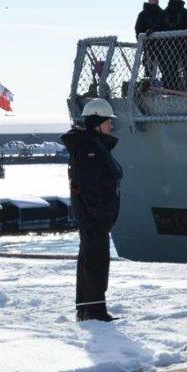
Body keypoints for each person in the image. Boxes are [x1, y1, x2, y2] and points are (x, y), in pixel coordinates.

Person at [62, 98, 123, 322]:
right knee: (96, 262)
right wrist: (102, 213)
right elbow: (89, 187)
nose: (111, 127)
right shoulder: (90, 149)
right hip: (94, 219)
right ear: (97, 121)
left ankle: (87, 307)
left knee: (89, 259)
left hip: (93, 218)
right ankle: (94, 311)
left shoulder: (91, 146)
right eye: (108, 122)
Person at [135, 0, 165, 79]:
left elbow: (164, 26)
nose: (156, 1)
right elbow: (138, 29)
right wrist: (143, 40)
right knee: (149, 69)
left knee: (165, 68)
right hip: (148, 46)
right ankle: (149, 89)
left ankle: (164, 87)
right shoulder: (143, 14)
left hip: (161, 46)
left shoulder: (161, 13)